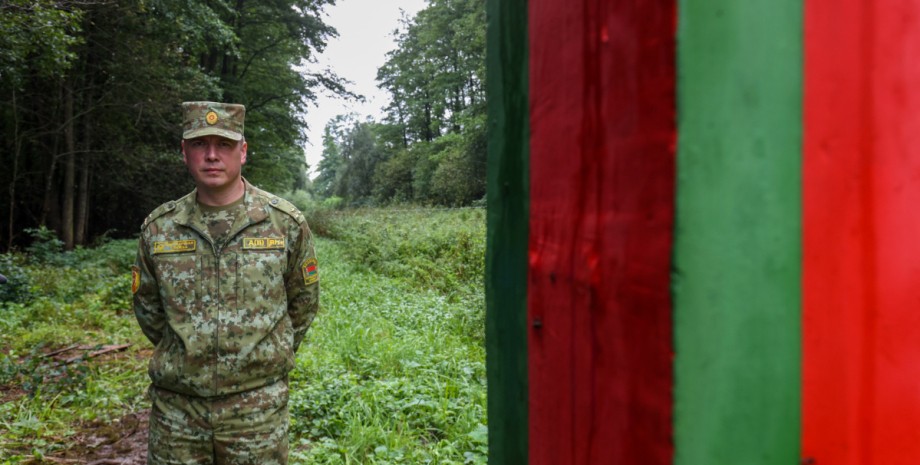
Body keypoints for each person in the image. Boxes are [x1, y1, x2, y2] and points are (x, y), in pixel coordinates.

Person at [132, 101, 319, 464]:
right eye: (200, 144)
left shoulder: (284, 224)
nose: (212, 156)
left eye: (225, 144)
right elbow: (148, 309)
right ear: (184, 152)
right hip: (177, 413)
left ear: (243, 151)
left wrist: (259, 359)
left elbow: (303, 303)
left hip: (257, 412)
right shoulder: (159, 228)